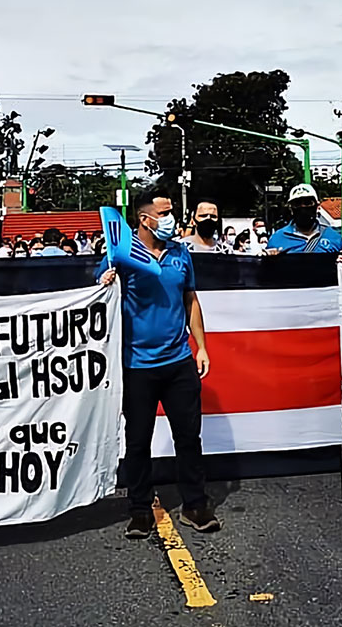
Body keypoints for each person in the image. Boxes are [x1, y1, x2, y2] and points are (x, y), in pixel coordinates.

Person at [98, 188, 221, 538]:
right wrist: (104, 282)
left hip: (179, 362)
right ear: (145, 219)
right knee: (138, 440)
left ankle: (195, 505)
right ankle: (140, 509)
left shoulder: (180, 253)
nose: (171, 218)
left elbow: (190, 300)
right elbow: (97, 294)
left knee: (188, 437)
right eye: (165, 213)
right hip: (136, 365)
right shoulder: (120, 254)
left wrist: (201, 347)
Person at [266, 184, 342, 254]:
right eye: (297, 204)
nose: (303, 207)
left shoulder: (333, 237)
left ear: (317, 206)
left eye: (308, 203)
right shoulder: (277, 239)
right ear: (291, 209)